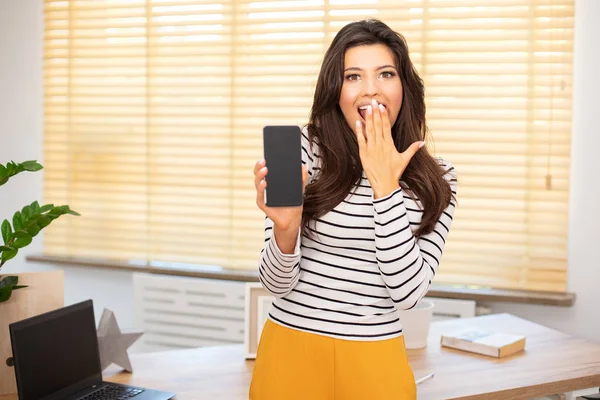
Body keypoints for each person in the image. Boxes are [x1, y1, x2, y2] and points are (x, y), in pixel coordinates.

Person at [250, 18, 457, 400]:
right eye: (354, 77)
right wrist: (285, 231)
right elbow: (275, 284)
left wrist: (385, 186)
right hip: (290, 353)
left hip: (375, 361)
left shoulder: (437, 177)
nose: (371, 90)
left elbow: (408, 294)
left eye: (386, 74)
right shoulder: (303, 150)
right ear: (337, 90)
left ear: (404, 87)